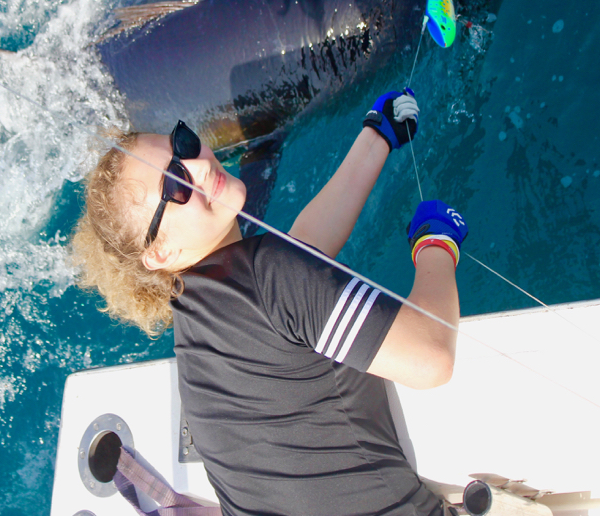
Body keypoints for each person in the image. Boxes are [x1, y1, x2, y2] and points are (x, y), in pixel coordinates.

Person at [72, 89, 468, 516]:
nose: (201, 164)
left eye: (182, 143)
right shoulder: (268, 278)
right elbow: (432, 357)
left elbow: (301, 257)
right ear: (160, 252)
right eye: (176, 184)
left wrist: (377, 137)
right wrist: (436, 246)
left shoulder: (195, 317)